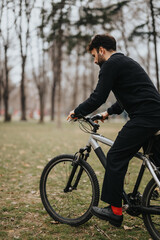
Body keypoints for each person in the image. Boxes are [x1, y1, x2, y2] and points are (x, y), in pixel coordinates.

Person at [67, 34, 160, 227]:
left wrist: (77, 111)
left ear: (101, 50)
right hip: (154, 115)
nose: (94, 61)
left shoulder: (110, 64)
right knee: (155, 161)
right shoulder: (125, 62)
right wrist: (107, 113)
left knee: (116, 156)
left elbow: (98, 96)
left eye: (94, 55)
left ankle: (115, 211)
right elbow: (128, 95)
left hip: (145, 117)